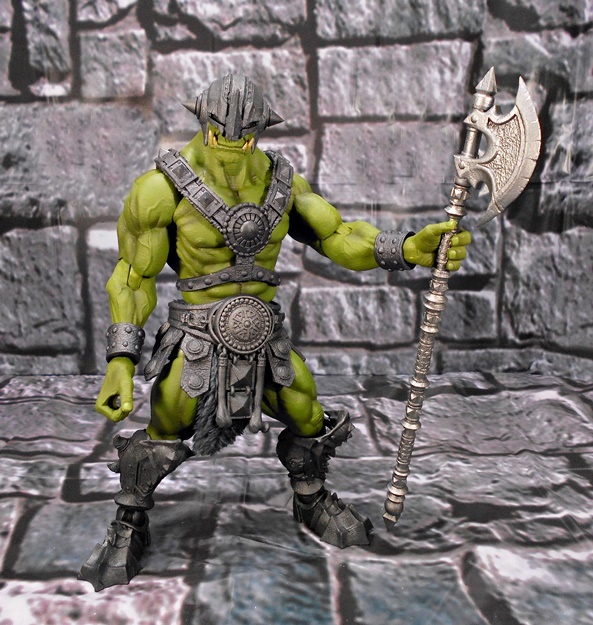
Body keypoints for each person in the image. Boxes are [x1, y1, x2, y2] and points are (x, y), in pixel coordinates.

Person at [80, 73, 471, 591]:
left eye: (244, 137)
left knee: (307, 414)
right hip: (197, 335)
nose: (231, 145)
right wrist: (120, 363)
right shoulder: (159, 188)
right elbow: (132, 278)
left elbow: (339, 236)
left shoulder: (282, 182)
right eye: (221, 134)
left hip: (266, 336)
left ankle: (310, 498)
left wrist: (405, 249)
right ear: (203, 124)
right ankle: (129, 521)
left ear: (259, 131)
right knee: (165, 427)